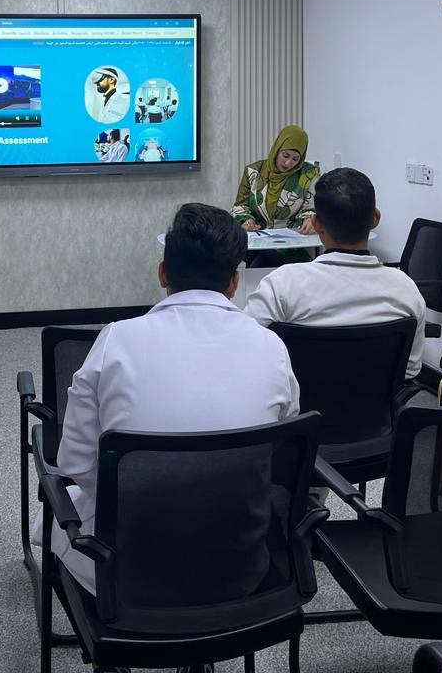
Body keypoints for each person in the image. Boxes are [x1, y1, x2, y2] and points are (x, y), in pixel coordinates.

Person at [45, 203, 300, 595]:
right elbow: (282, 449)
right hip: (240, 561)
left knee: (56, 518)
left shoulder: (116, 340)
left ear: (163, 272)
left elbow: (74, 465)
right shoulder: (271, 347)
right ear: (234, 282)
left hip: (130, 568)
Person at [246, 168, 427, 379]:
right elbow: (409, 370)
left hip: (299, 400)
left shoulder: (282, 284)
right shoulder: (406, 289)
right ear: (375, 218)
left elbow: (245, 348)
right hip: (375, 401)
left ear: (316, 224)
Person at [232, 125, 319, 235]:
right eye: (285, 155)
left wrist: (310, 219)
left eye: (295, 159)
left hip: (293, 238)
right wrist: (246, 220)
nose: (288, 163)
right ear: (277, 150)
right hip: (257, 235)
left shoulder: (308, 174)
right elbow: (240, 206)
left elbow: (312, 208)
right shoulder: (253, 171)